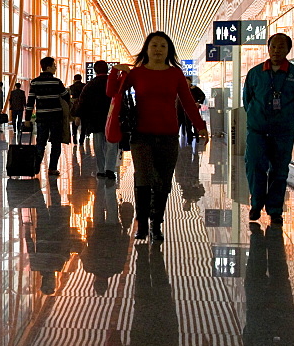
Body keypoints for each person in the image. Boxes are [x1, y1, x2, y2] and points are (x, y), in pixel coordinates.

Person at [110, 31, 207, 243]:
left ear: (169, 51)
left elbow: (188, 102)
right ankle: (142, 223)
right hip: (141, 134)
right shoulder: (137, 73)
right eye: (154, 45)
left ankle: (157, 223)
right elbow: (113, 93)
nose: (158, 50)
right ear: (146, 49)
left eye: (163, 46)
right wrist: (116, 72)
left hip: (168, 134)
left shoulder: (175, 74)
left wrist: (200, 126)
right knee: (143, 179)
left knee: (163, 181)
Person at [243, 32, 294, 225]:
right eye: (273, 46)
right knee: (255, 166)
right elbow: (247, 100)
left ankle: (275, 210)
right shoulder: (255, 73)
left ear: (288, 50)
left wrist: (286, 119)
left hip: (283, 132)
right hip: (257, 131)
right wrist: (257, 117)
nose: (276, 50)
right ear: (268, 48)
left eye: (281, 47)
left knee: (279, 171)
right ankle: (256, 205)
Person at [25, 56, 70, 177]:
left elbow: (30, 102)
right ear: (48, 67)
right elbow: (66, 96)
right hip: (56, 117)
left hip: (42, 118)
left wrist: (27, 119)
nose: (56, 67)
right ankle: (52, 168)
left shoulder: (35, 82)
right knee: (56, 143)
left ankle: (36, 167)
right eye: (54, 65)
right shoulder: (57, 82)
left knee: (41, 143)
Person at [76, 60, 118, 179]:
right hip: (111, 117)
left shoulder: (90, 85)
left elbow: (82, 102)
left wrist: (78, 116)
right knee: (112, 143)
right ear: (107, 69)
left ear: (95, 70)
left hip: (95, 118)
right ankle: (110, 168)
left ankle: (101, 169)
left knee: (98, 144)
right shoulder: (113, 83)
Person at [68, 74, 85, 142]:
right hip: (83, 105)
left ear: (74, 79)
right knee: (84, 122)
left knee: (74, 121)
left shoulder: (71, 87)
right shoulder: (84, 86)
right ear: (81, 78)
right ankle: (82, 139)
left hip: (74, 105)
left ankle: (74, 138)